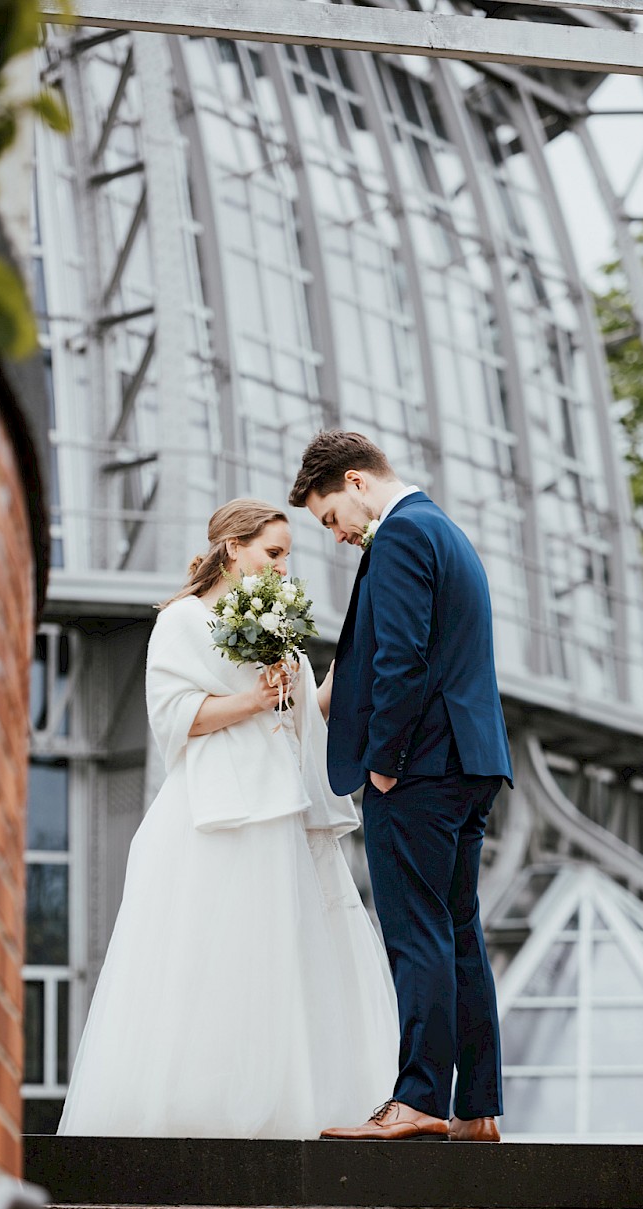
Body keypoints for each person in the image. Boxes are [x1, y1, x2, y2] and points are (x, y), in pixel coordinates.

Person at [57, 499, 398, 1137]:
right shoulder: (182, 620)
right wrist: (252, 698)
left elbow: (297, 716)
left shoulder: (279, 627)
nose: (281, 567)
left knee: (283, 957)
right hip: (214, 811)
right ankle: (205, 1108)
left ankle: (292, 1099)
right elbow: (177, 718)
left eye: (287, 556)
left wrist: (334, 681)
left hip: (282, 808)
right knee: (212, 958)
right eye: (272, 553)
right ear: (232, 547)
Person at [288, 432, 513, 1142]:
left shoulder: (402, 536)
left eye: (330, 518)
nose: (336, 535)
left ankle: (417, 1101)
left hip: (421, 767)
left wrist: (384, 759)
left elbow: (402, 658)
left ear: (356, 483)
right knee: (456, 932)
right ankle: (477, 1110)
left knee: (416, 930)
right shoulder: (443, 530)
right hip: (470, 761)